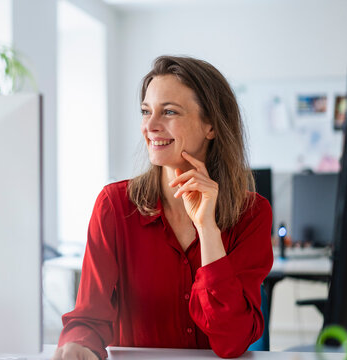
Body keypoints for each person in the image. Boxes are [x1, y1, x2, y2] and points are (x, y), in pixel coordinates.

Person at [52, 55, 273, 360]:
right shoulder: (115, 206)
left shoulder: (252, 214)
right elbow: (89, 317)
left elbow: (232, 341)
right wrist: (79, 344)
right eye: (146, 111)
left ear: (210, 126)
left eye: (169, 111)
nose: (150, 126)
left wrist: (208, 229)